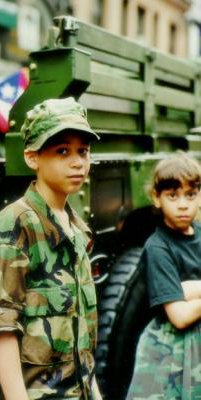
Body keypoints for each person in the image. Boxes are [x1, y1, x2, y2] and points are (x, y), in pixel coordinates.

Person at [0, 97, 103, 400]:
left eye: (82, 151)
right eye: (62, 151)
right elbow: (1, 329)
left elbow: (79, 334)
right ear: (33, 157)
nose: (77, 162)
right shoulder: (16, 225)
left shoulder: (75, 229)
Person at [126, 151, 201, 399]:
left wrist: (189, 289)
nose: (183, 204)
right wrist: (183, 293)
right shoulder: (158, 247)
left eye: (190, 195)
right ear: (156, 199)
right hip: (177, 352)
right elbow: (179, 315)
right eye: (172, 195)